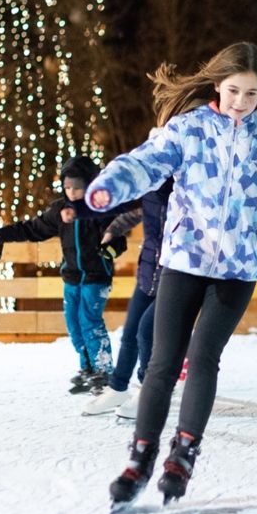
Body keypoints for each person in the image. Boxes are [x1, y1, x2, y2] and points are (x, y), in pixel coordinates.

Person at [88, 42, 257, 509]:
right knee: (163, 362)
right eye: (233, 90)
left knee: (204, 357)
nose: (241, 101)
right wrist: (109, 186)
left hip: (238, 270)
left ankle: (182, 455)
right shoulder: (189, 130)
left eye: (251, 93)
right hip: (185, 261)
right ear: (216, 86)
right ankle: (139, 460)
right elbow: (146, 162)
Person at [0, 156, 127, 393]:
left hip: (95, 277)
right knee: (74, 323)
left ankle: (104, 371)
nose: (72, 193)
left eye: (78, 188)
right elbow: (33, 228)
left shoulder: (99, 210)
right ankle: (88, 369)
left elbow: (119, 238)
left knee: (89, 321)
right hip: (71, 277)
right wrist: (2, 234)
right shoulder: (60, 211)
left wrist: (108, 249)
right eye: (67, 187)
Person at [79, 178, 173, 418]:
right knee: (130, 332)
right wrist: (111, 232)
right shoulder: (150, 189)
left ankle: (148, 391)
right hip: (147, 274)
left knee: (146, 332)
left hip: (174, 277)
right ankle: (118, 388)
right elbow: (132, 214)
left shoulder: (185, 190)